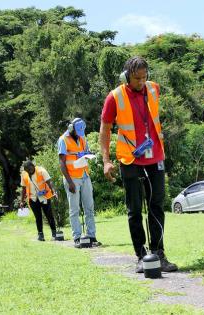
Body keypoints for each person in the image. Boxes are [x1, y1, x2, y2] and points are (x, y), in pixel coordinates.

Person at [99, 56, 178, 273]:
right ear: (126, 77)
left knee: (156, 206)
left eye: (144, 77)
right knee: (134, 209)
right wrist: (106, 161)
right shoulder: (114, 97)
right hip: (129, 158)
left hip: (155, 156)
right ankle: (141, 255)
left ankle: (159, 254)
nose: (141, 82)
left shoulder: (153, 89)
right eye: (136, 78)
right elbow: (105, 130)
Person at [58, 118, 101, 248]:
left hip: (85, 176)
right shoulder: (62, 140)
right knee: (74, 210)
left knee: (89, 208)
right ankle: (77, 237)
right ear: (71, 128)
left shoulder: (82, 138)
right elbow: (62, 163)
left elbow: (86, 152)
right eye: (77, 132)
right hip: (72, 178)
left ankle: (92, 236)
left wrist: (89, 154)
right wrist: (69, 182)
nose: (79, 135)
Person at [20, 160, 58, 241]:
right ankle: (40, 235)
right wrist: (22, 201)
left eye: (30, 169)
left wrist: (54, 192)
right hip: (33, 199)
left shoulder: (41, 170)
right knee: (38, 217)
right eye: (27, 171)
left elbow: (49, 182)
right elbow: (23, 189)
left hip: (44, 197)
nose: (29, 172)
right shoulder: (24, 174)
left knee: (49, 215)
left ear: (33, 166)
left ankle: (54, 234)